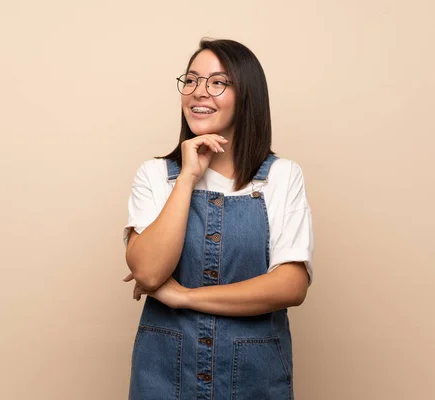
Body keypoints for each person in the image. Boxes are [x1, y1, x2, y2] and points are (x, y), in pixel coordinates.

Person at [122, 38, 314, 400]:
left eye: (217, 82)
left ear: (247, 96)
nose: (199, 92)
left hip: (254, 378)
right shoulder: (155, 176)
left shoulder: (282, 177)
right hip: (163, 377)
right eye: (191, 80)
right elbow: (148, 272)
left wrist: (183, 297)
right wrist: (188, 178)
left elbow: (290, 285)